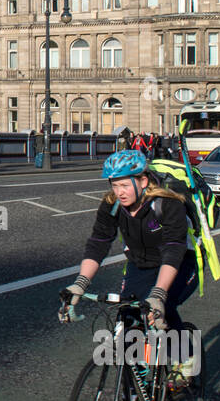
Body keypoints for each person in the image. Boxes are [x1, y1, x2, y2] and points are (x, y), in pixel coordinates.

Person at [59, 150, 200, 376]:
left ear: (143, 181)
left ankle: (187, 358)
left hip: (179, 263)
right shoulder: (112, 205)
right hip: (140, 264)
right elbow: (98, 242)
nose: (119, 192)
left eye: (124, 185)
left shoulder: (168, 204)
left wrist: (159, 294)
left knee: (162, 307)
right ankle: (138, 387)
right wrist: (80, 283)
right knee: (129, 314)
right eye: (114, 185)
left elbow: (174, 250)